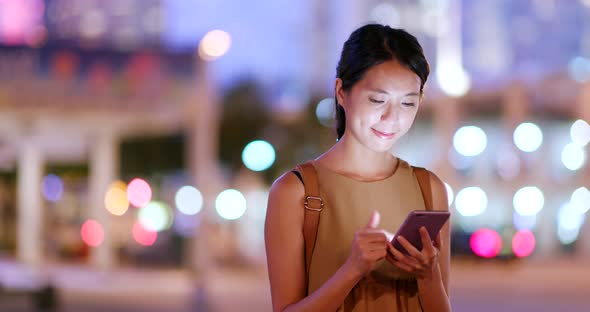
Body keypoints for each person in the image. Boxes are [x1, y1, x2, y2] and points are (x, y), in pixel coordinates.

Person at [265, 24, 451, 312]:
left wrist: (429, 276)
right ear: (341, 92)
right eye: (377, 100)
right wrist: (352, 270)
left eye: (407, 103)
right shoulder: (296, 191)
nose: (392, 118)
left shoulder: (429, 189)